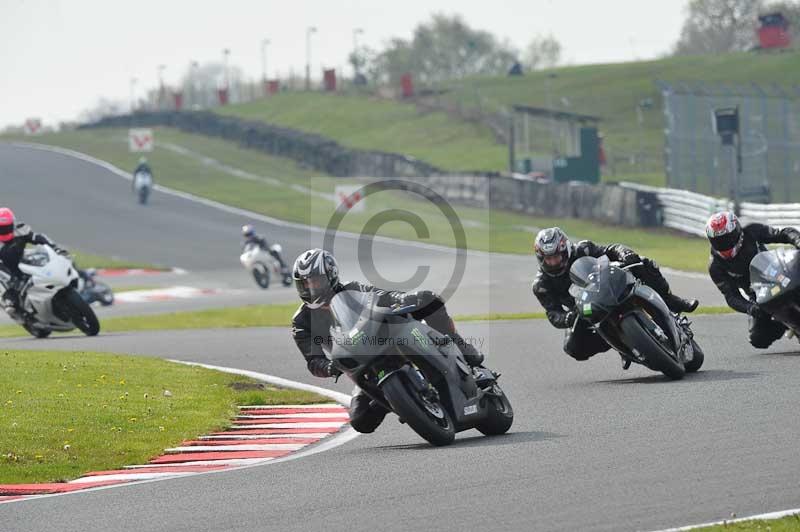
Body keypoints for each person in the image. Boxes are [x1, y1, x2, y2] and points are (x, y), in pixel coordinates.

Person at [290, 248, 483, 434]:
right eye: (305, 284)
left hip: (387, 342)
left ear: (331, 276)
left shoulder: (353, 288)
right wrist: (330, 367)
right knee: (360, 421)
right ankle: (401, 401)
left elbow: (381, 296)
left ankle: (461, 347)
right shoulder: (301, 321)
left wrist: (400, 299)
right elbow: (313, 360)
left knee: (428, 299)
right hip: (361, 365)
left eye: (315, 281)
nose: (311, 287)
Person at [532, 227, 698, 362]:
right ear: (541, 258)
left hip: (608, 285)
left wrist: (625, 254)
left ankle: (671, 300)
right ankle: (621, 343)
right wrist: (567, 318)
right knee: (572, 348)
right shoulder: (541, 285)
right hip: (585, 310)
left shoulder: (583, 249)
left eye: (557, 256)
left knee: (644, 262)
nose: (554, 262)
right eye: (549, 259)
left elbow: (610, 250)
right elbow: (553, 314)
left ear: (566, 250)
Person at [706, 211, 800, 349]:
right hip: (758, 295)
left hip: (779, 272)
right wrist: (750, 308)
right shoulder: (715, 266)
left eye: (727, 238)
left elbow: (783, 233)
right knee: (758, 339)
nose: (723, 244)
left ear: (737, 231)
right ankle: (785, 323)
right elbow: (731, 296)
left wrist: (797, 240)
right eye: (718, 241)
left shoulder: (752, 231)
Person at [0, 208, 65, 316]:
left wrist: (55, 248)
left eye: (6, 227)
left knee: (42, 258)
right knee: (5, 280)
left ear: (12, 223)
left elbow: (38, 238)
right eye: (1, 228)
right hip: (6, 268)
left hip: (22, 259)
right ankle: (9, 302)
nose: (4, 231)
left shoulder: (20, 229)